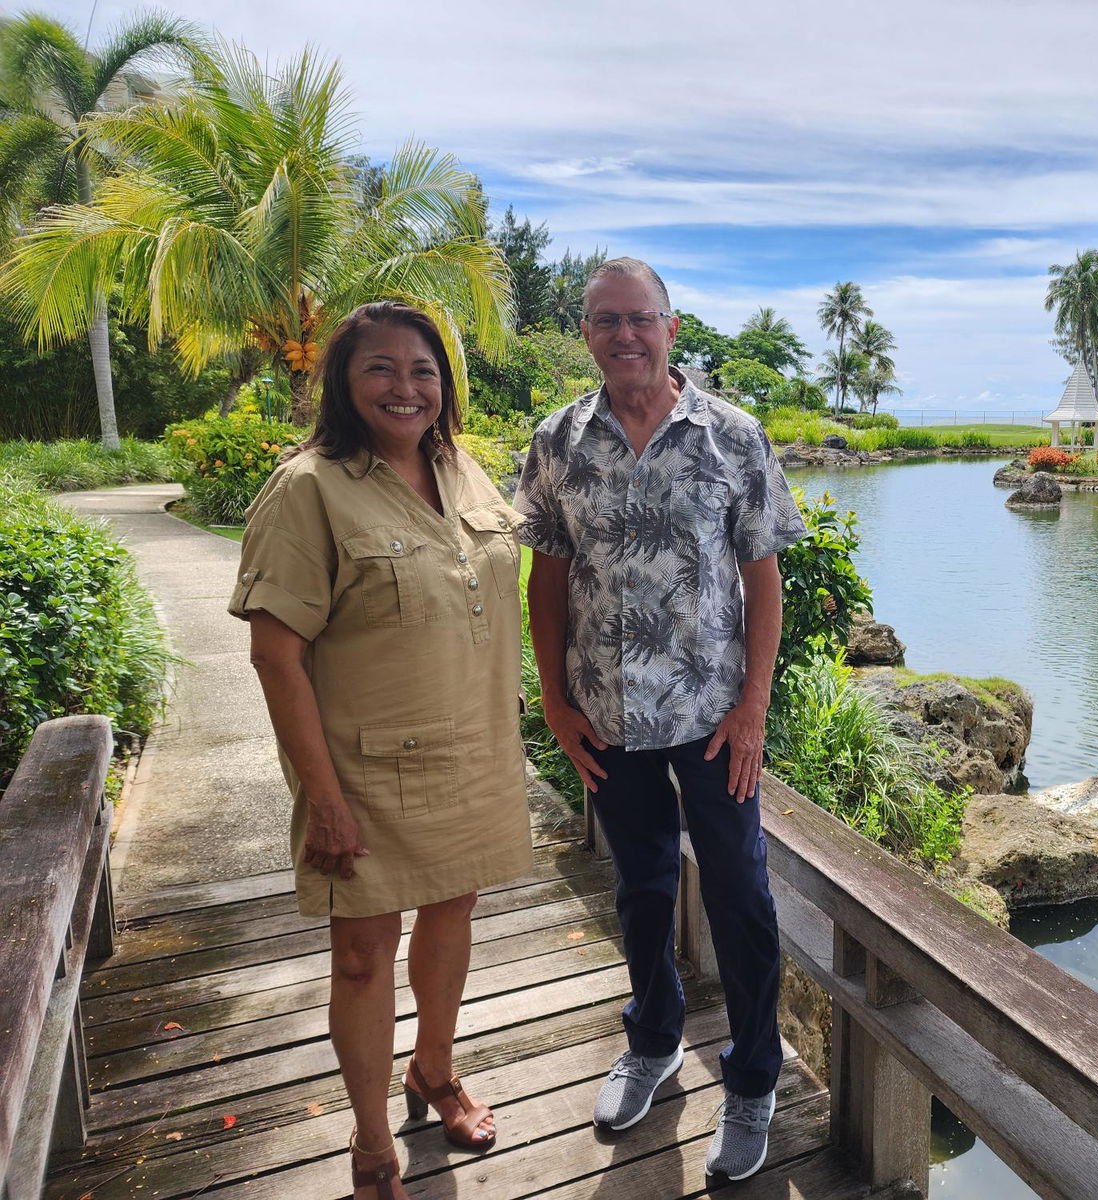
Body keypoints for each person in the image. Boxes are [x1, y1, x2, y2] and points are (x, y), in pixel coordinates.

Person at [229, 302, 534, 1199]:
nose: (407, 388)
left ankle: (433, 1072)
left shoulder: (462, 469)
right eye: (383, 369)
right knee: (361, 954)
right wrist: (321, 796)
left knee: (454, 914)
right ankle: (369, 1143)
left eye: (424, 371)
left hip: (474, 749)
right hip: (362, 768)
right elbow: (275, 655)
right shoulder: (309, 488)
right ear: (344, 382)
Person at [516, 258, 807, 1181]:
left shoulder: (733, 436)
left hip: (713, 717)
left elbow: (764, 579)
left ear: (671, 328)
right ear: (587, 333)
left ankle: (753, 1080)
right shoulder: (557, 440)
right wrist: (555, 701)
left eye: (640, 319)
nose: (624, 336)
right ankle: (653, 1041)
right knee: (640, 893)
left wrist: (754, 706)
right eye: (606, 321)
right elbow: (548, 577)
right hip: (607, 716)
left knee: (743, 899)